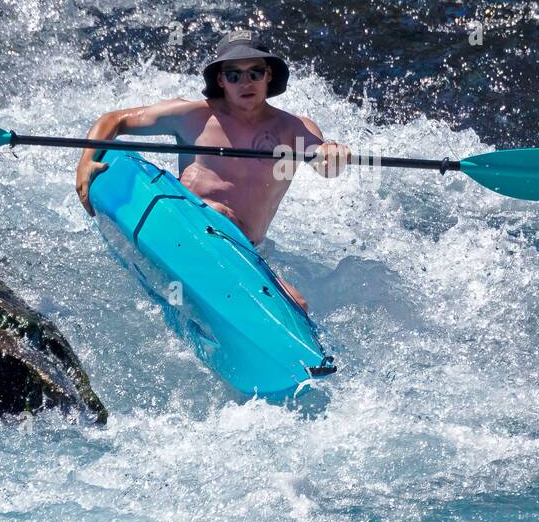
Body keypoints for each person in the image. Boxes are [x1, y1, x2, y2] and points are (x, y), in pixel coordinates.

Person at [75, 29, 351, 312]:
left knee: (298, 305)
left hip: (241, 251)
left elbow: (325, 163)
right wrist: (85, 162)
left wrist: (333, 153)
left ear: (269, 75)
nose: (246, 82)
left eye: (255, 72)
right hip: (185, 230)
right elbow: (114, 120)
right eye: (234, 75)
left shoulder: (295, 130)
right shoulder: (192, 115)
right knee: (217, 213)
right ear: (220, 79)